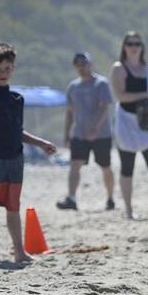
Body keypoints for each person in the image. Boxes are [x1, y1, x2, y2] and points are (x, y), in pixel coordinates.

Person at [0, 42, 57, 263]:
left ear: (13, 69)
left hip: (15, 159)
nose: (3, 73)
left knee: (13, 207)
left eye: (7, 68)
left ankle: (19, 251)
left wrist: (40, 143)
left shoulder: (17, 100)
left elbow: (17, 132)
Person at [110, 32, 148, 220]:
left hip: (147, 123)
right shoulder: (119, 68)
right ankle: (128, 210)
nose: (134, 47)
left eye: (137, 43)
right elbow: (120, 96)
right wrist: (145, 96)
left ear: (142, 46)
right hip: (126, 122)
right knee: (126, 167)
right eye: (130, 43)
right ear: (124, 46)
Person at [57, 52, 115, 212]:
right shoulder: (73, 87)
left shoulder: (101, 83)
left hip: (101, 134)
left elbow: (104, 107)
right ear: (75, 67)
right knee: (75, 165)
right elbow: (69, 112)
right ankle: (71, 198)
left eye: (85, 64)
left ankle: (110, 198)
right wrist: (66, 134)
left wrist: (95, 127)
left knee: (105, 166)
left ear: (90, 64)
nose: (82, 67)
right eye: (79, 65)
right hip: (79, 134)